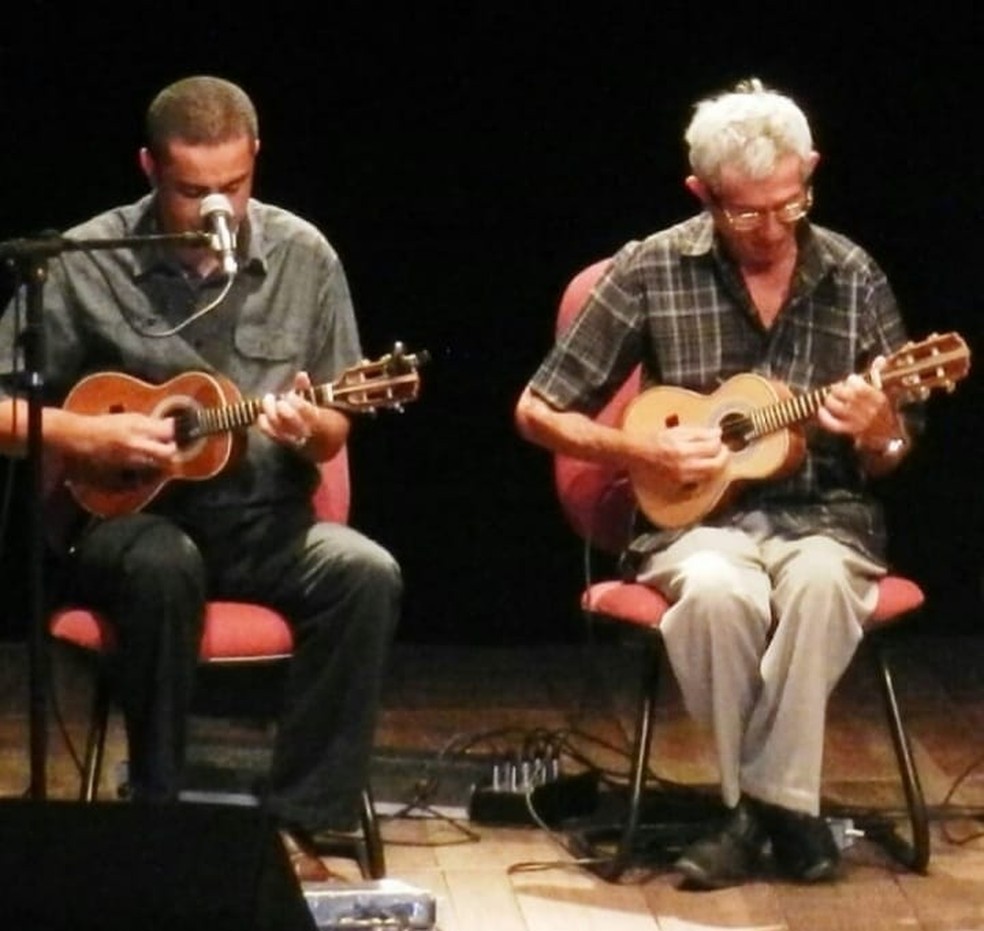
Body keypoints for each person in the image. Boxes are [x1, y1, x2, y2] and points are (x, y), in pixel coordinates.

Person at [515, 78, 923, 889]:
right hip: (693, 524)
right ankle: (788, 816)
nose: (771, 228)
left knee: (815, 588)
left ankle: (752, 812)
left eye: (789, 203)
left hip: (826, 521)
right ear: (702, 193)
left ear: (811, 170)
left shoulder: (854, 274)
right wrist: (644, 457)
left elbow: (893, 454)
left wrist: (878, 426)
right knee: (713, 594)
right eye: (744, 212)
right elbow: (537, 410)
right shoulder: (651, 268)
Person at [0, 75, 402, 883]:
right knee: (162, 564)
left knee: (366, 573)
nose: (215, 209)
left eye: (233, 186)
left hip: (262, 520)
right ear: (150, 168)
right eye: (191, 191)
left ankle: (299, 824)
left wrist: (311, 425)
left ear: (256, 158)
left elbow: (337, 419)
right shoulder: (87, 259)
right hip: (124, 525)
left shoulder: (304, 255)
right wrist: (87, 430)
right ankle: (160, 814)